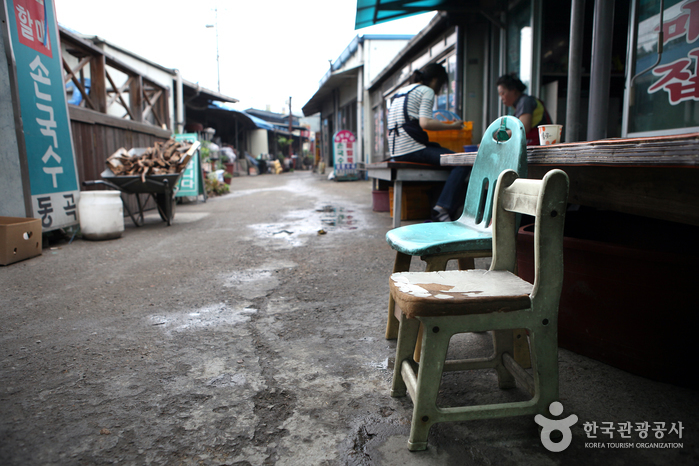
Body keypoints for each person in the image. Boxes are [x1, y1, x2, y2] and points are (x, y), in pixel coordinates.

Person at [387, 63, 469, 222]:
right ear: (435, 80)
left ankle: (441, 206)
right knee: (462, 162)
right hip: (412, 148)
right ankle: (442, 209)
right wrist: (452, 126)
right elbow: (425, 123)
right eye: (442, 85)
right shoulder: (426, 91)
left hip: (396, 150)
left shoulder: (402, 91)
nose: (440, 90)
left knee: (442, 154)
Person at [496, 73, 553, 145]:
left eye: (502, 93)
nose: (501, 98)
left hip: (539, 147)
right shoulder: (520, 104)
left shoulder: (525, 101)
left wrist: (498, 137)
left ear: (513, 90)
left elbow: (523, 128)